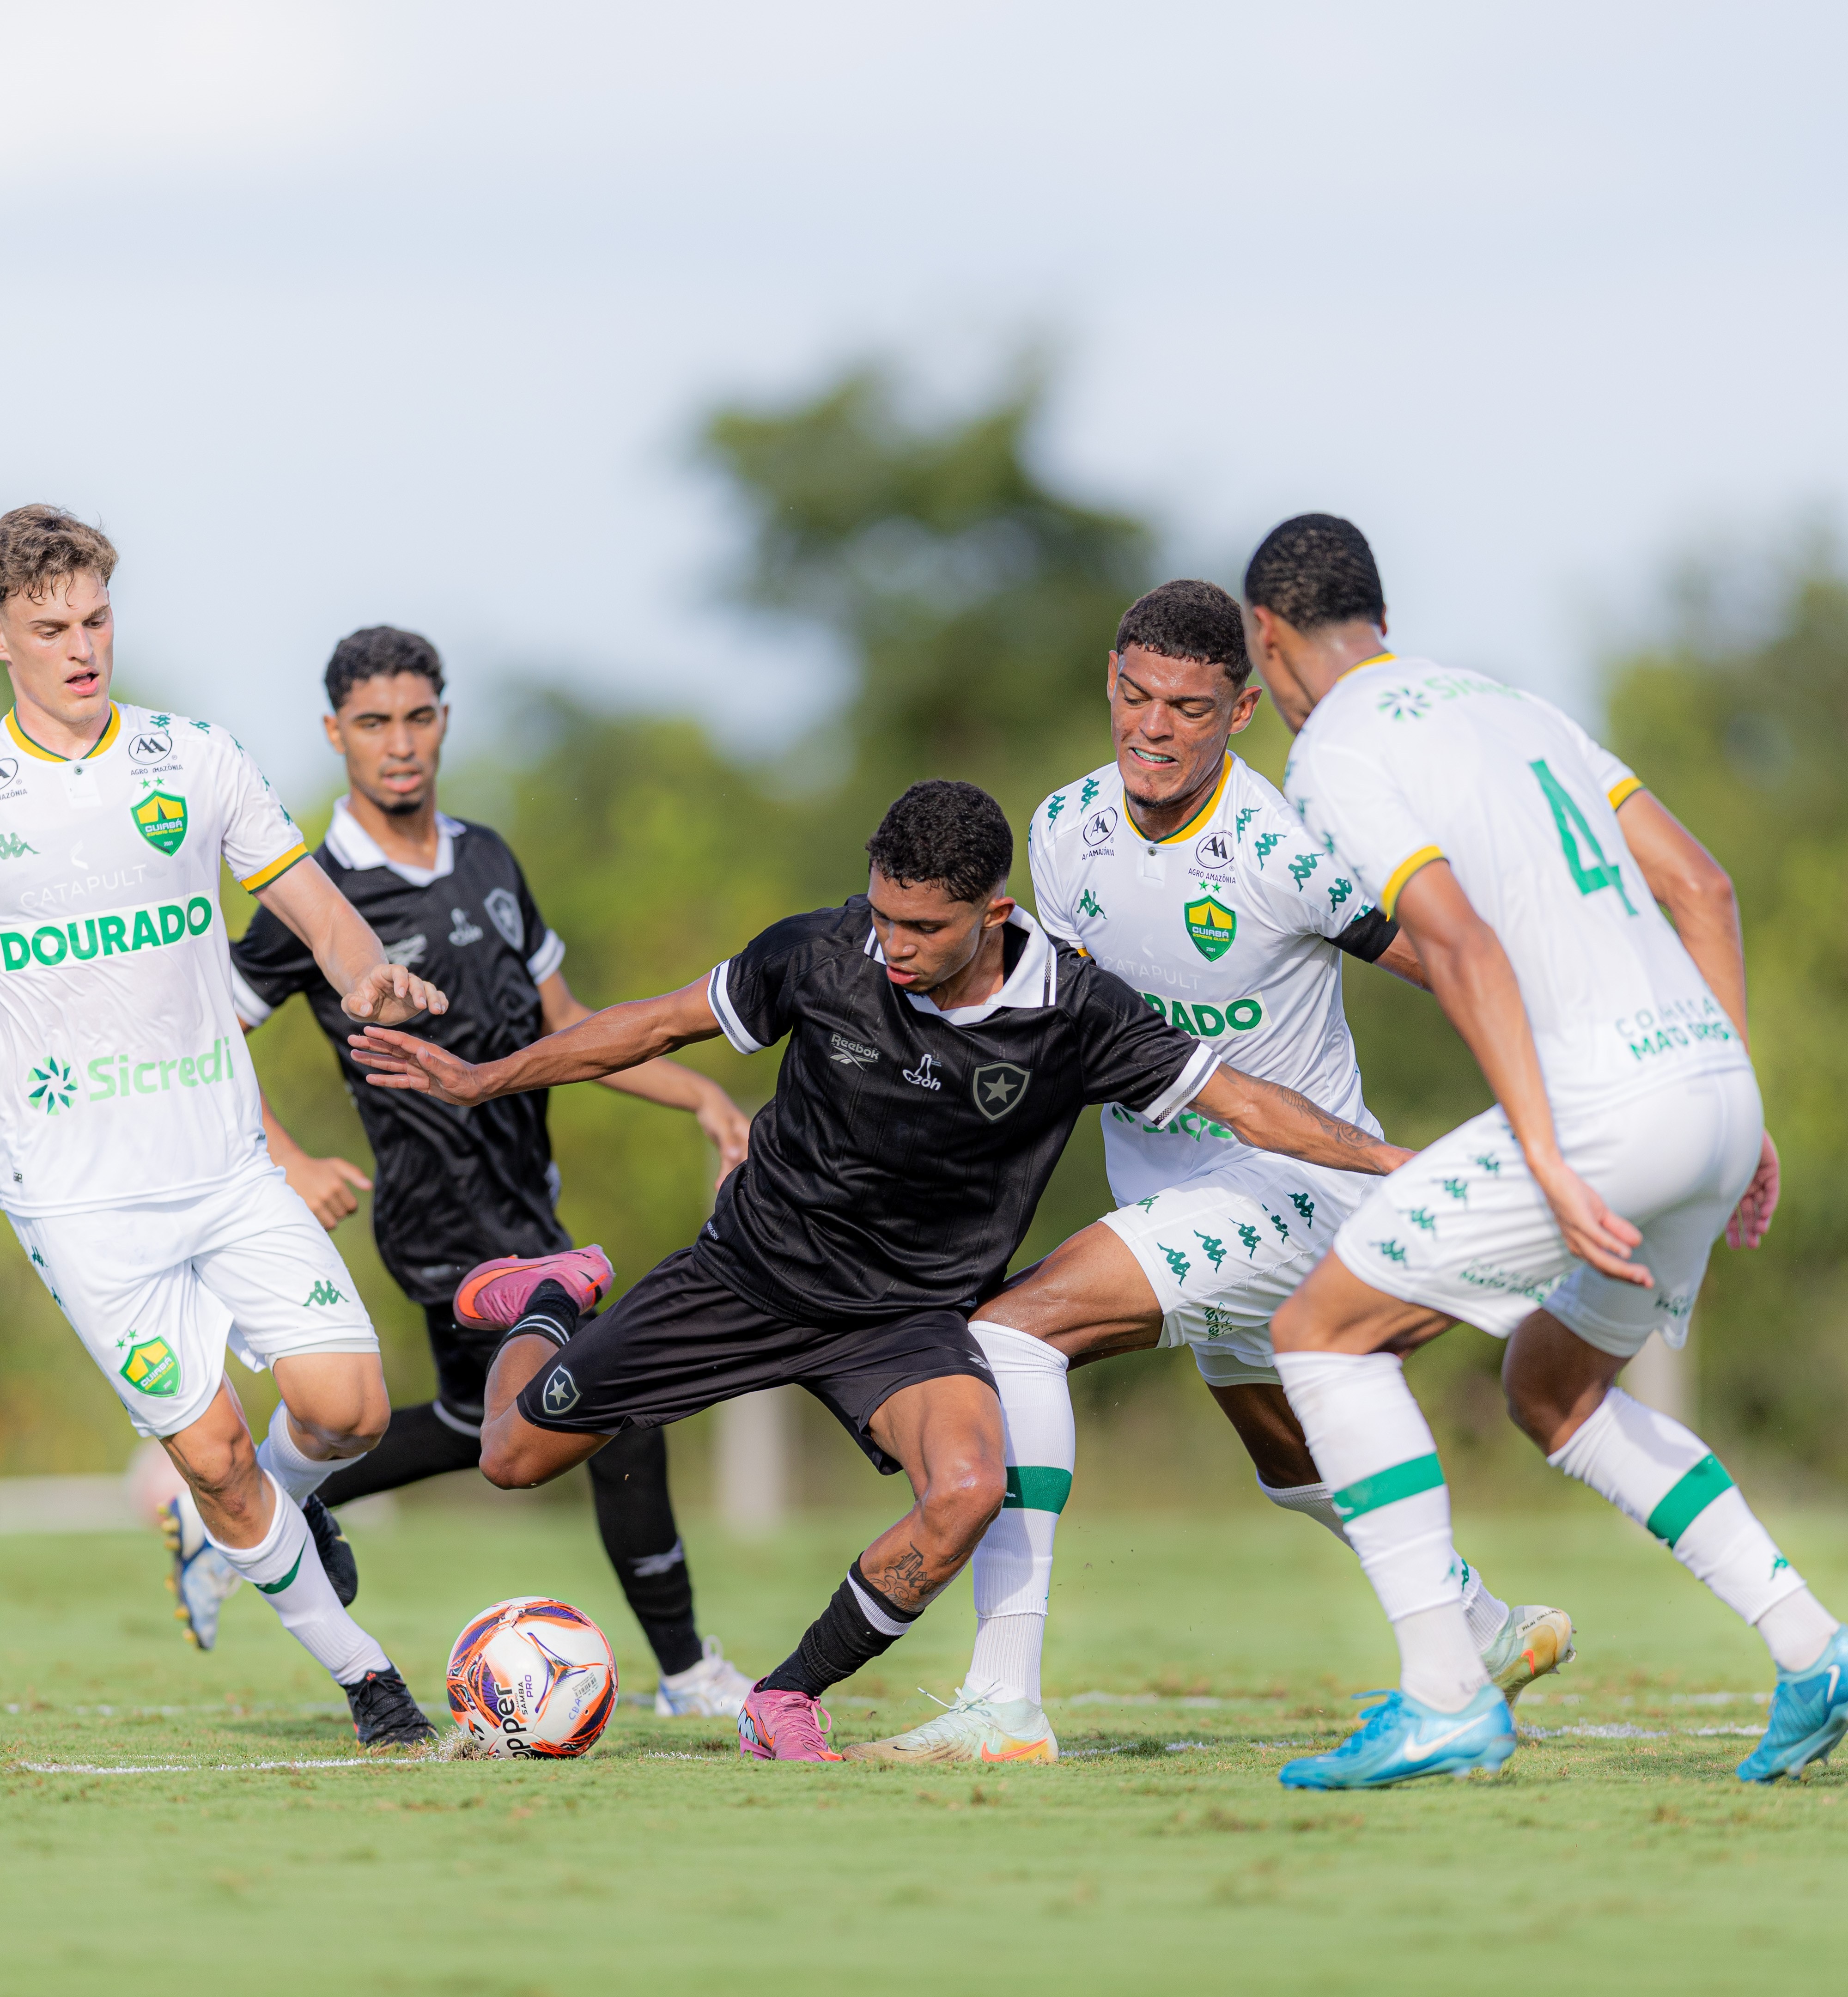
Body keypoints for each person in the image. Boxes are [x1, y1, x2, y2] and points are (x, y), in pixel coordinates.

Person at [348, 777, 1413, 1760]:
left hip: (900, 1318)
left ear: (993, 914)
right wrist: (481, 1081)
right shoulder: (819, 952)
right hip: (745, 1273)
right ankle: (543, 1298)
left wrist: (1386, 1160)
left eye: (920, 927)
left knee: (967, 1491)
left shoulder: (1078, 1014)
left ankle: (785, 1695)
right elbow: (656, 1024)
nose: (888, 944)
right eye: (881, 914)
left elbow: (1248, 1103)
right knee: (508, 1458)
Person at [851, 580, 1574, 1765]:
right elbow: (1060, 1030)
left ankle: (1001, 1703)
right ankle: (1478, 1625)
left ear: (1239, 711)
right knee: (1290, 1458)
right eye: (1135, 696)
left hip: (1297, 1185)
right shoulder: (1060, 829)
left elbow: (1452, 963)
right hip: (1173, 1195)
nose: (1153, 727)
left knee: (1016, 1336)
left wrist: (1554, 1101)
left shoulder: (1282, 847)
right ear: (1108, 681)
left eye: (1188, 707)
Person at [1239, 512, 1836, 1790]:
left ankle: (1445, 1694)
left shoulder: (1338, 747)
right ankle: (1814, 1647)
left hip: (1604, 1109)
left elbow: (1461, 948)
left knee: (1317, 1334)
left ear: (1269, 639)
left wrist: (1551, 1154)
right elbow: (1705, 887)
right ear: (1381, 620)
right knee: (1554, 1389)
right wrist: (1739, 1098)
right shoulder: (1516, 704)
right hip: (1710, 1084)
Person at [218, 625, 757, 1716]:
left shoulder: (491, 858)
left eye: (419, 717)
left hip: (528, 1208)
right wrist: (287, 1158)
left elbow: (568, 1026)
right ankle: (690, 1674)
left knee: (477, 1424)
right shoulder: (316, 895)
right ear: (335, 735)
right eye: (373, 723)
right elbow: (210, 1039)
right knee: (613, 1401)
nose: (399, 743)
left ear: (445, 722)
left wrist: (700, 1090)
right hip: (436, 1224)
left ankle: (256, 1498)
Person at [0, 504, 438, 1746]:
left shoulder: (191, 758)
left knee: (349, 1411)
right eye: (51, 628)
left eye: (96, 619)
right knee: (217, 1453)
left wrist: (364, 975)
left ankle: (235, 1533)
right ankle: (373, 1688)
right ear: (4, 642)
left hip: (226, 1164)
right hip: (80, 1199)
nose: (83, 649)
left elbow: (311, 902)